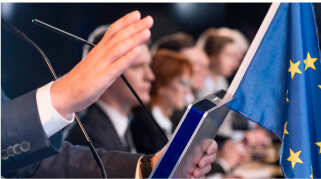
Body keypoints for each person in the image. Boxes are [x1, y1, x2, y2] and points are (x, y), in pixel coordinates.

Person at [2, 11, 217, 178]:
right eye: (137, 67)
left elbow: (30, 165)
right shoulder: (90, 129)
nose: (151, 77)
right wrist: (64, 95)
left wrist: (149, 167)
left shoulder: (131, 122)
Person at [66, 24, 157, 153]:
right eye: (138, 66)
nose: (150, 76)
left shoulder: (126, 126)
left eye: (149, 65)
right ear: (105, 72)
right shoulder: (90, 139)